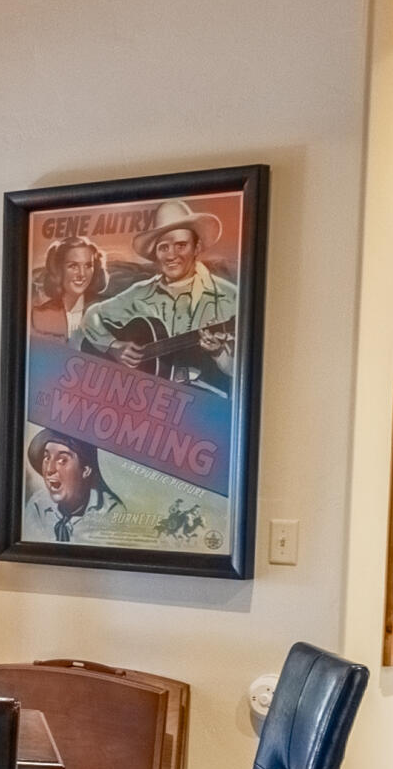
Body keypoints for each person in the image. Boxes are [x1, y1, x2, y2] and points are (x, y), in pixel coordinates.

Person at [75, 199, 239, 387]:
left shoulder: (230, 298)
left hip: (203, 398)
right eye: (164, 248)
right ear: (156, 254)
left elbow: (244, 371)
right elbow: (91, 316)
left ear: (197, 247)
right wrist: (114, 346)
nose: (171, 255)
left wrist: (219, 354)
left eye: (181, 245)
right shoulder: (140, 293)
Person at [25, 429, 124, 543]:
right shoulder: (37, 505)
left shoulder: (111, 512)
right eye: (47, 458)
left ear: (86, 470)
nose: (49, 469)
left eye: (62, 460)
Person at [29, 235, 107, 340]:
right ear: (58, 269)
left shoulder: (106, 310)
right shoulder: (40, 315)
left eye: (88, 266)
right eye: (73, 266)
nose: (82, 274)